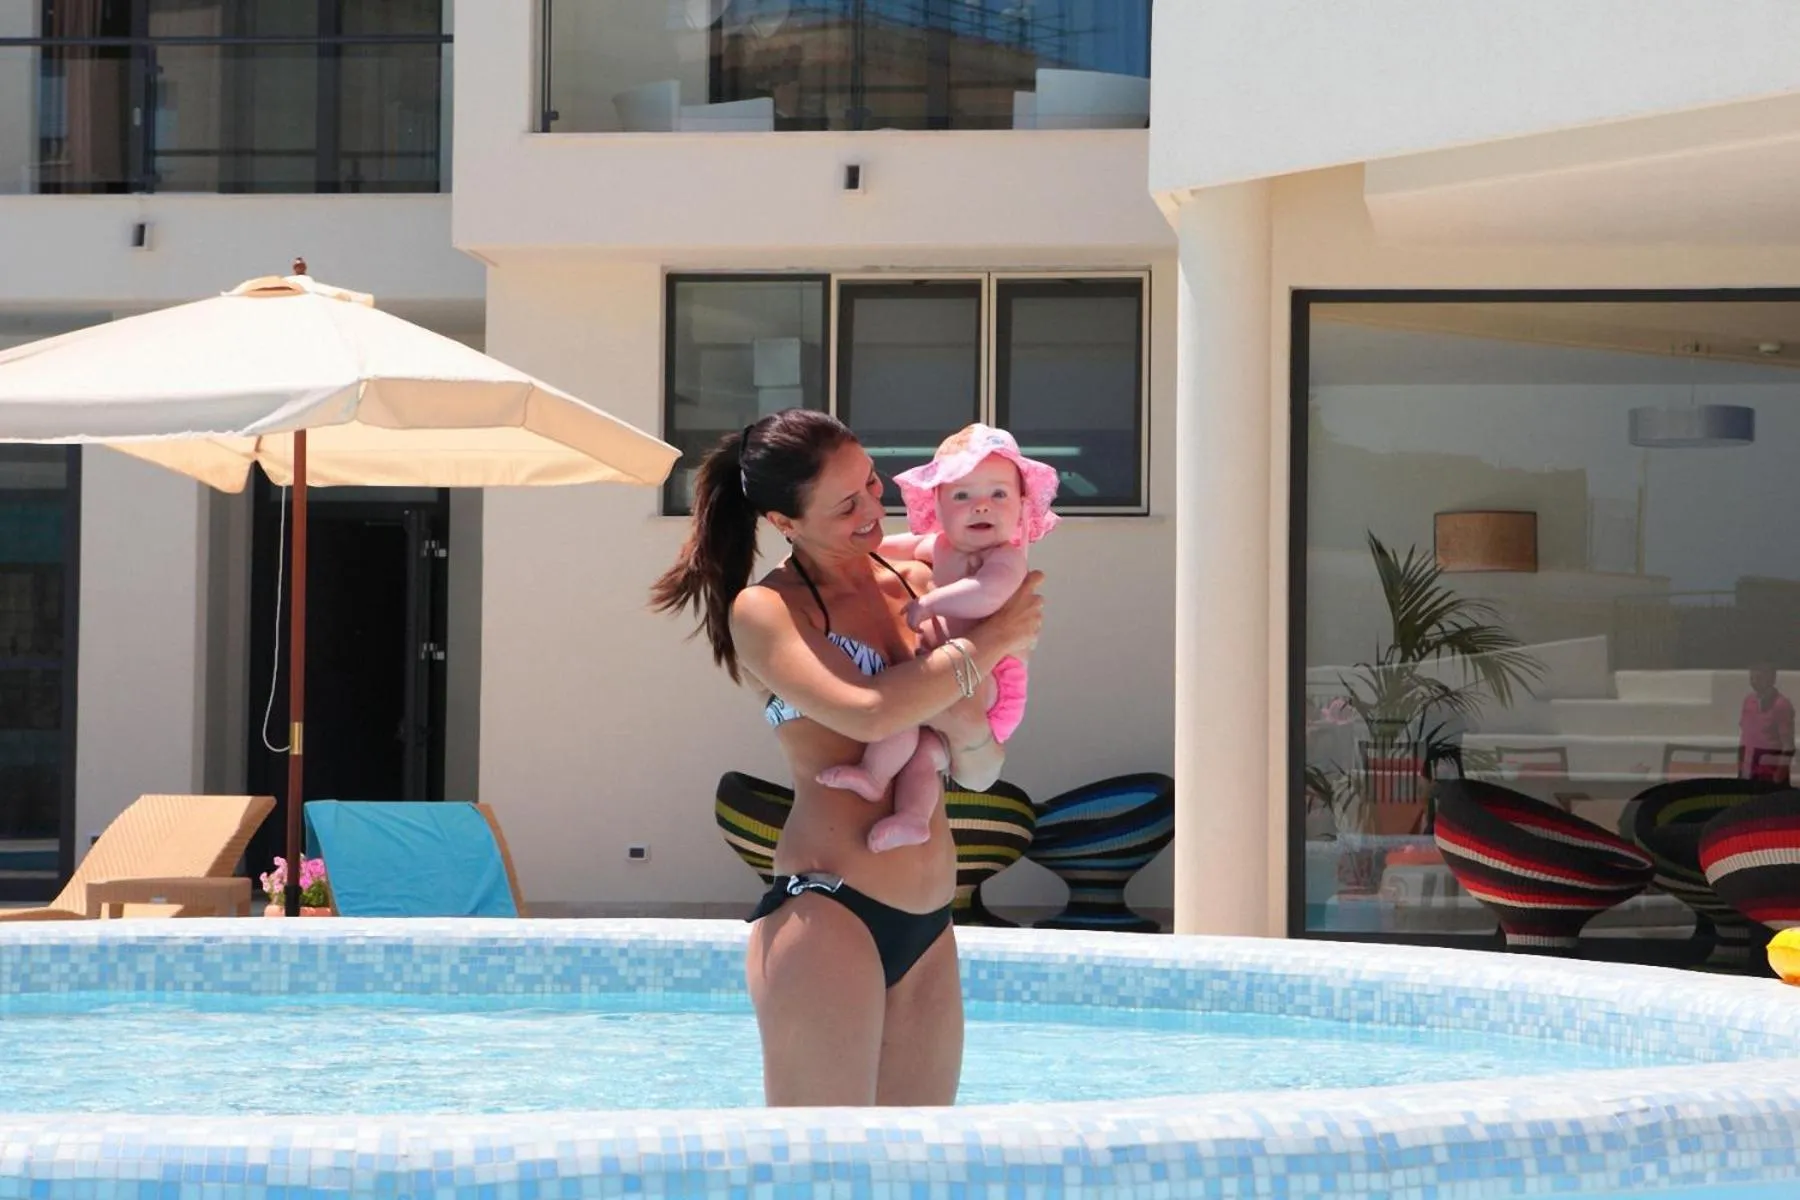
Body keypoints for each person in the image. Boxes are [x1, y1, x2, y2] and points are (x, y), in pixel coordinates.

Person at [649, 409, 1045, 1107]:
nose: (871, 512)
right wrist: (991, 642)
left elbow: (981, 772)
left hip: (931, 920)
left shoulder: (917, 577)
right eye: (845, 504)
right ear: (785, 521)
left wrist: (967, 719)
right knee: (821, 1170)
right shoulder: (767, 611)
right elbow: (868, 710)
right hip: (831, 912)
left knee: (916, 1174)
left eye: (870, 486)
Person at [817, 424, 1059, 853]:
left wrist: (932, 604)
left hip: (994, 684)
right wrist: (848, 554)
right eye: (962, 496)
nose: (981, 506)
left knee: (914, 708)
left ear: (1022, 508)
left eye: (999, 495)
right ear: (939, 507)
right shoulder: (940, 546)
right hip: (954, 676)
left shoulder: (1004, 558)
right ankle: (902, 806)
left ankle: (879, 776)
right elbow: (891, 547)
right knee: (924, 754)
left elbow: (989, 594)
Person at [1740, 662, 1795, 786]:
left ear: (1772, 678)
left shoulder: (1781, 705)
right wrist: (1741, 767)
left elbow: (1788, 745)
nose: (1754, 682)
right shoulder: (1748, 701)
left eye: (1759, 678)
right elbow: (1744, 736)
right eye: (1752, 678)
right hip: (1749, 770)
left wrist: (1780, 774)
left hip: (1771, 772)